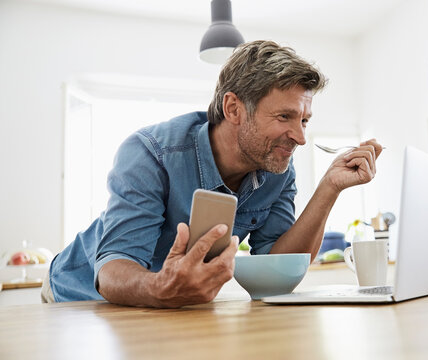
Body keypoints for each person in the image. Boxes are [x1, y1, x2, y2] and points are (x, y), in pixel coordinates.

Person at [41, 40, 383, 307]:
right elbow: (115, 267)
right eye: (284, 117)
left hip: (170, 303)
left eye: (304, 120)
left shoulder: (276, 165)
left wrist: (329, 189)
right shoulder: (150, 153)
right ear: (233, 108)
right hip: (80, 295)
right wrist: (162, 287)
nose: (301, 137)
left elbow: (276, 267)